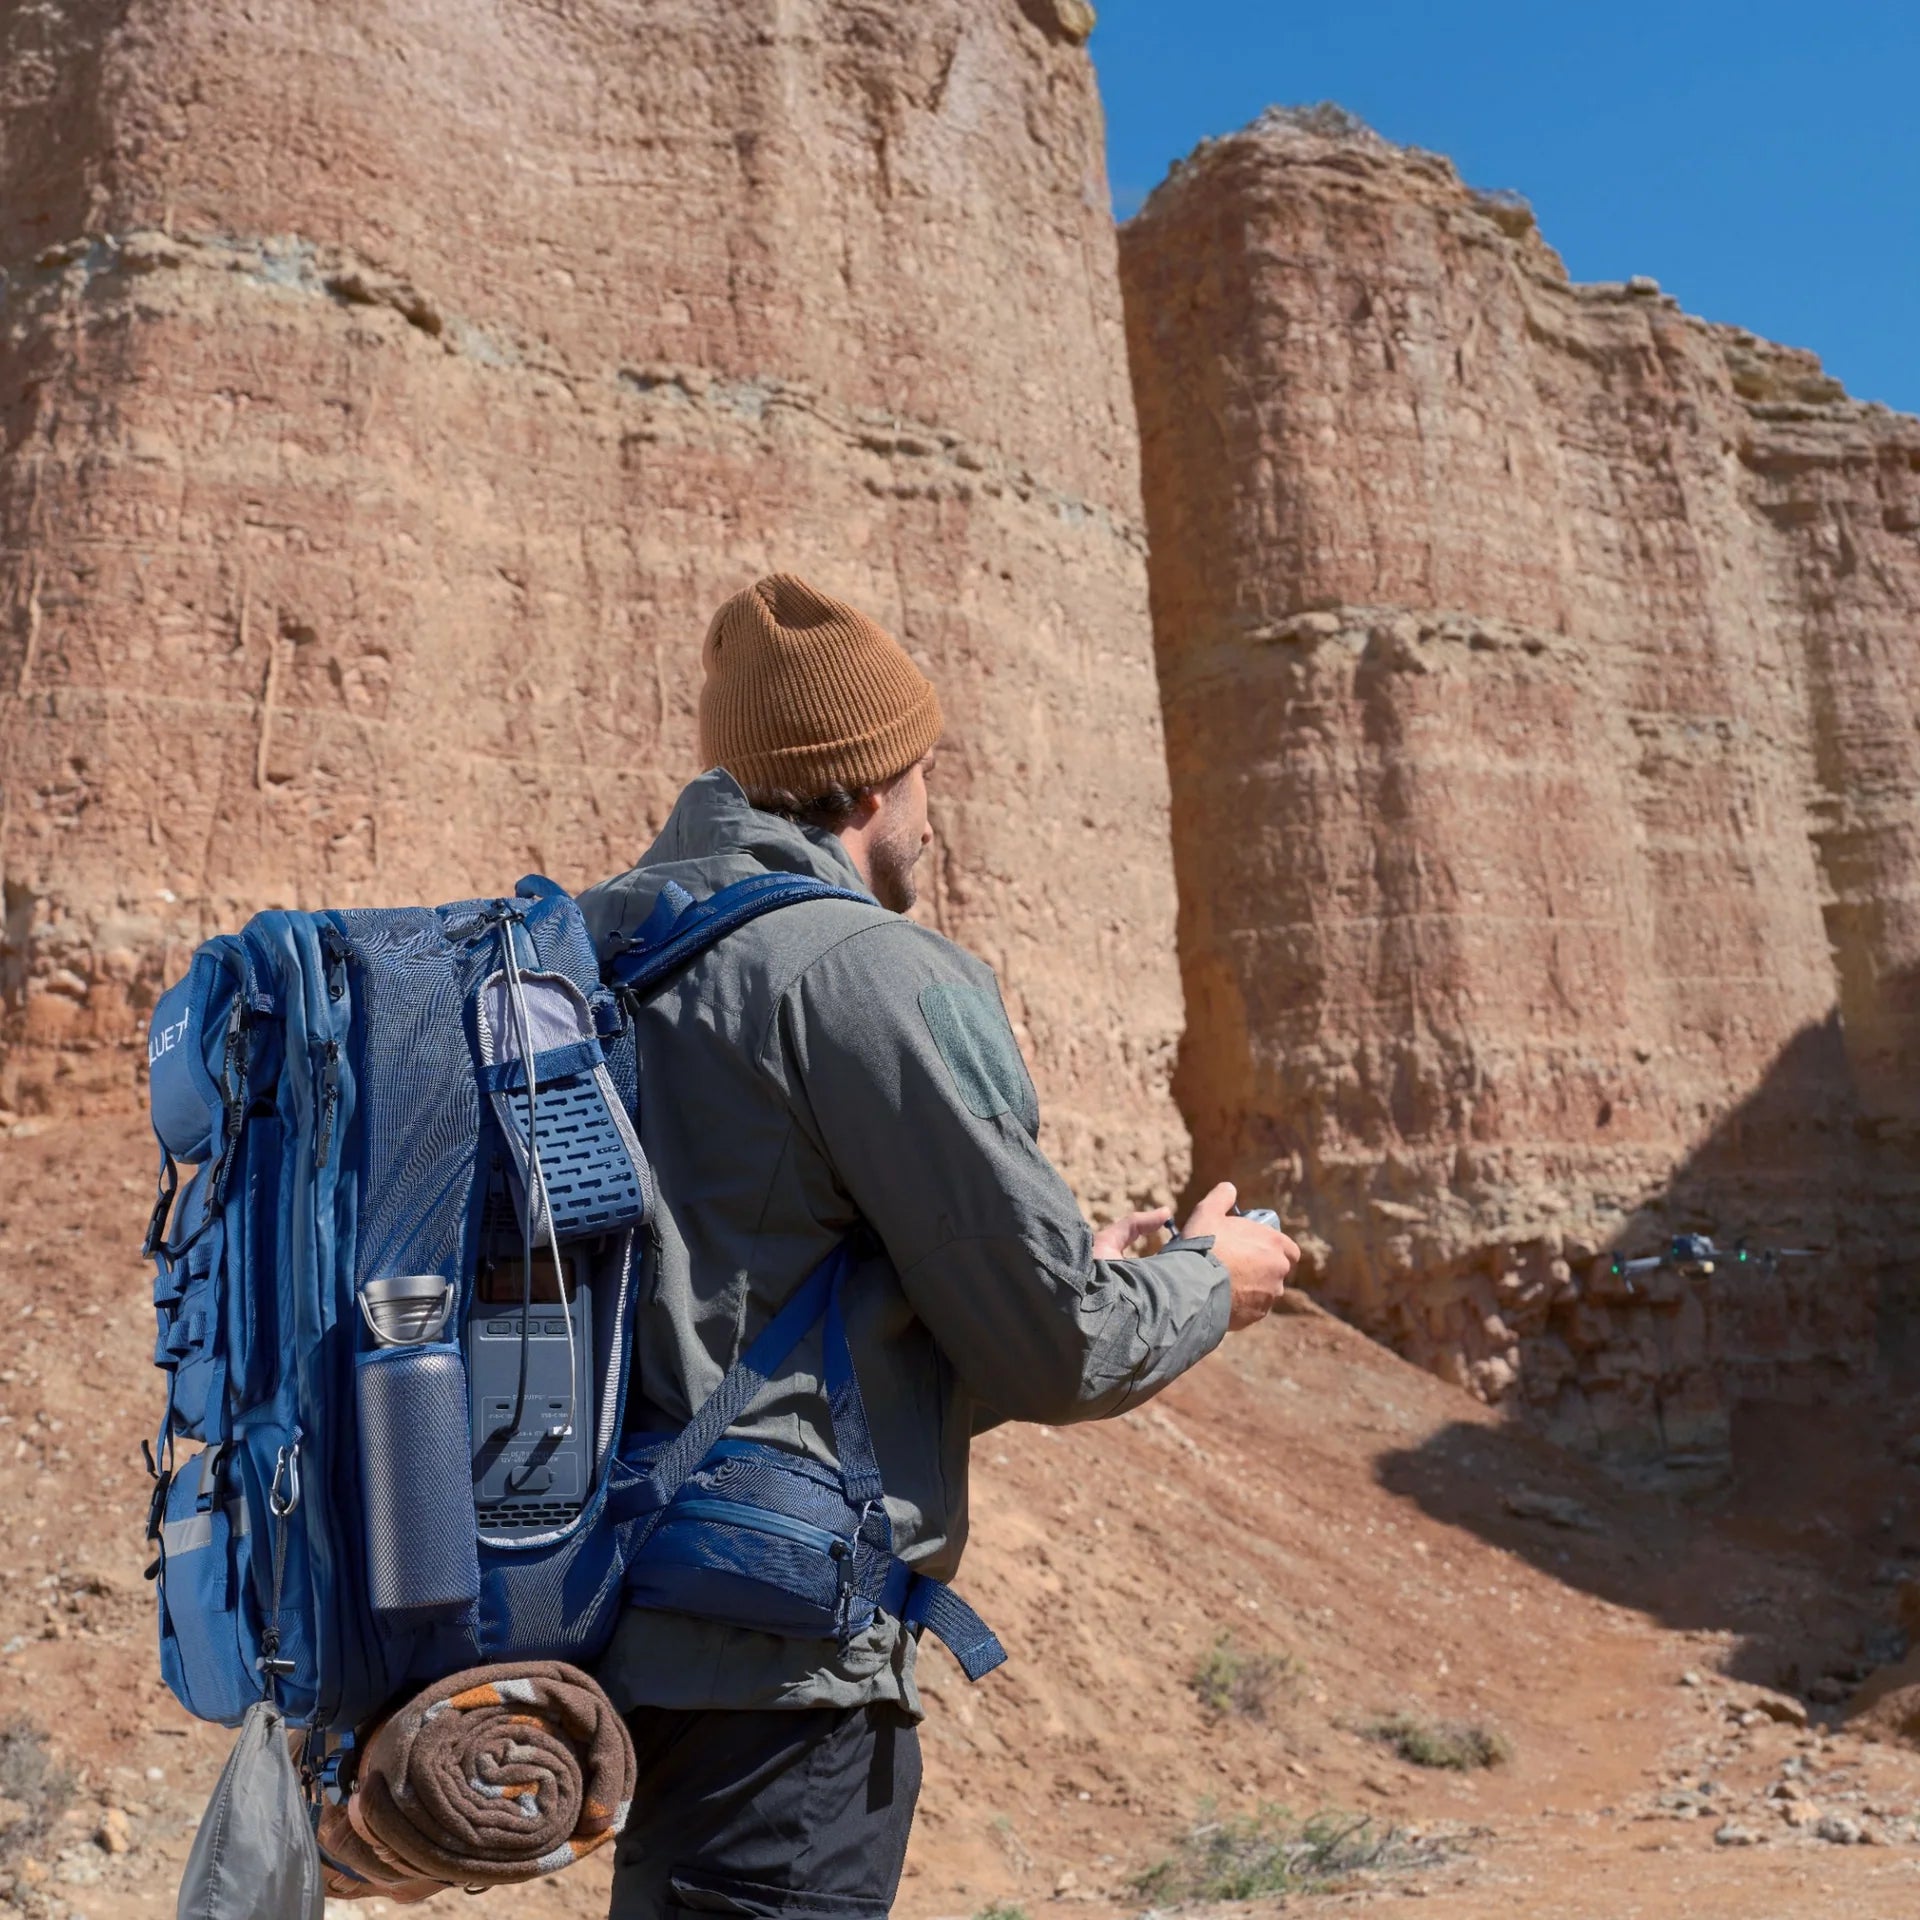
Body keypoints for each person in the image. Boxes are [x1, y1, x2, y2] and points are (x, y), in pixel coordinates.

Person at [580, 573, 1298, 1920]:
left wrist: (1036, 1256)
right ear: (863, 789)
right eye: (919, 777)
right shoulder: (867, 975)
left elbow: (736, 1283)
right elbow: (1063, 1347)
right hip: (787, 1668)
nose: (928, 811)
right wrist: (1213, 1279)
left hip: (629, 1634)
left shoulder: (607, 950)